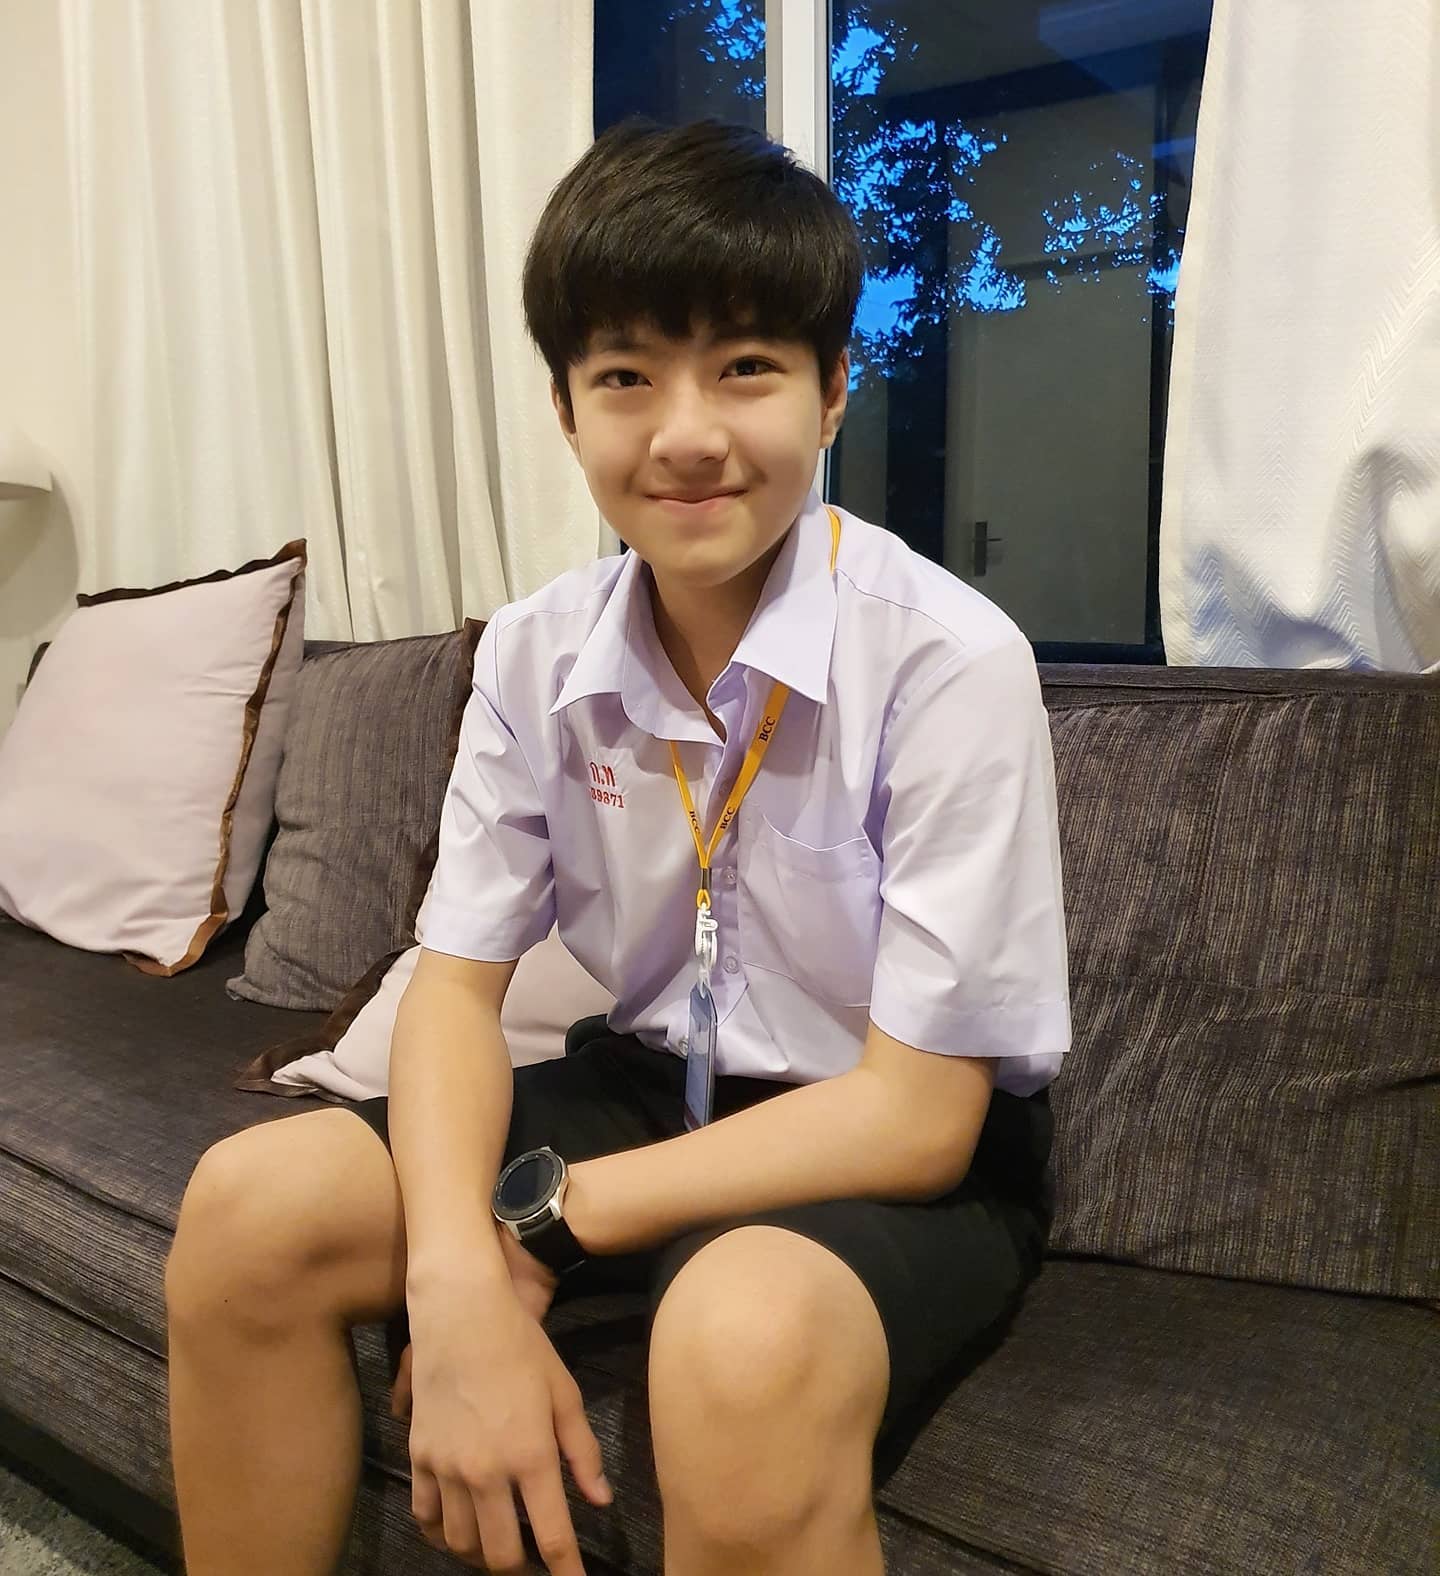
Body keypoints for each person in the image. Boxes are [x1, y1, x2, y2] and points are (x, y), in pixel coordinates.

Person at [164, 117, 1071, 1576]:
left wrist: (540, 1227)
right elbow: (455, 989)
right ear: (568, 410)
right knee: (247, 1206)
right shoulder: (534, 657)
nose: (687, 433)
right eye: (627, 377)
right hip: (647, 1088)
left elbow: (917, 1117)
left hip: (878, 1143)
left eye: (748, 368)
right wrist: (454, 1276)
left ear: (835, 390)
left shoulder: (947, 660)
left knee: (739, 1338)